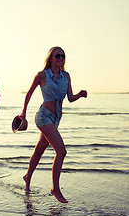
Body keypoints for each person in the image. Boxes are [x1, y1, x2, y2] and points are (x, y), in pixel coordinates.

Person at [20, 46, 87, 203]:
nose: (61, 58)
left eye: (63, 56)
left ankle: (27, 177)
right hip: (43, 116)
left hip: (56, 118)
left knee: (39, 150)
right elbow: (28, 94)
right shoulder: (42, 75)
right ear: (50, 58)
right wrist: (23, 112)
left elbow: (70, 98)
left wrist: (80, 95)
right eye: (57, 55)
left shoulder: (66, 76)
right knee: (61, 151)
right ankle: (55, 189)